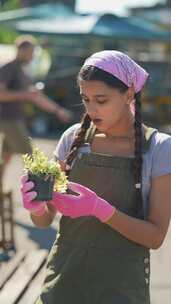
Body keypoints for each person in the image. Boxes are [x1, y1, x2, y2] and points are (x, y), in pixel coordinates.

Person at [20, 50, 171, 304]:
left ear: (129, 94)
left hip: (121, 288)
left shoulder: (159, 148)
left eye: (101, 100)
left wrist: (101, 210)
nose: (91, 110)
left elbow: (155, 237)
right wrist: (35, 206)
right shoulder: (72, 139)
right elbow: (45, 220)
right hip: (64, 279)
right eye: (86, 99)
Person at [0, 35, 72, 175]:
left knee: (5, 157)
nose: (32, 56)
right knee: (29, 155)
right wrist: (25, 94)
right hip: (8, 119)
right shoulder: (8, 68)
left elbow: (36, 97)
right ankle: (38, 190)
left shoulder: (22, 71)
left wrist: (58, 110)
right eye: (31, 52)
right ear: (22, 50)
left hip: (14, 118)